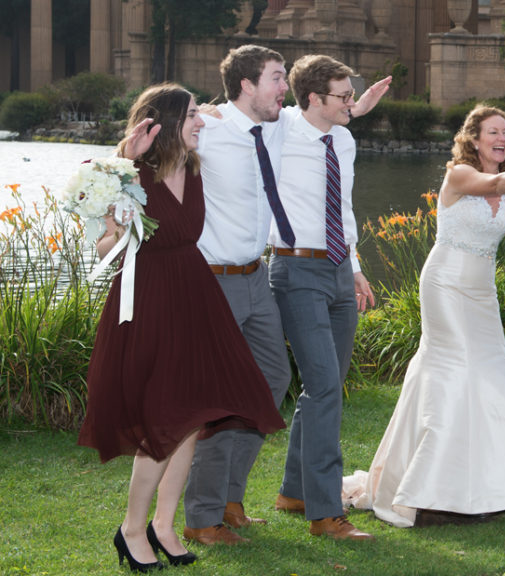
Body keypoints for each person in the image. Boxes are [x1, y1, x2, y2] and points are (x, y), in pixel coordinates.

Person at [77, 84, 285, 572]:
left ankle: (164, 525)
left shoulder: (192, 168)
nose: (200, 122)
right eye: (191, 115)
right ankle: (131, 529)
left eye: (199, 114)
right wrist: (123, 162)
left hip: (195, 296)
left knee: (192, 419)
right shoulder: (131, 177)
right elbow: (104, 247)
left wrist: (214, 110)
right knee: (163, 420)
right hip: (150, 301)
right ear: (165, 122)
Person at [341, 105, 505, 527]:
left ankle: (486, 482)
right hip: (446, 284)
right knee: (453, 370)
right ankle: (430, 492)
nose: (502, 138)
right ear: (474, 139)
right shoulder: (460, 175)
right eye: (493, 132)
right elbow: (496, 181)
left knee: (492, 373)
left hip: (481, 289)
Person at [268, 54, 390, 539]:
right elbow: (232, 121)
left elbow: (343, 208)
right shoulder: (279, 131)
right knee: (322, 390)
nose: (353, 102)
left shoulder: (343, 138)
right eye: (343, 96)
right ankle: (324, 512)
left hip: (340, 268)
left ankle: (293, 491)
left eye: (352, 94)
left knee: (326, 387)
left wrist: (356, 267)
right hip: (296, 268)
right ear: (313, 99)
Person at [182, 44, 294, 545]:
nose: (283, 87)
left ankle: (230, 498)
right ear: (247, 84)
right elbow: (145, 156)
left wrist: (358, 104)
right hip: (214, 281)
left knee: (272, 378)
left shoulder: (273, 125)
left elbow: (330, 109)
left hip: (256, 276)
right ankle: (202, 518)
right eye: (276, 78)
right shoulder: (205, 129)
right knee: (218, 398)